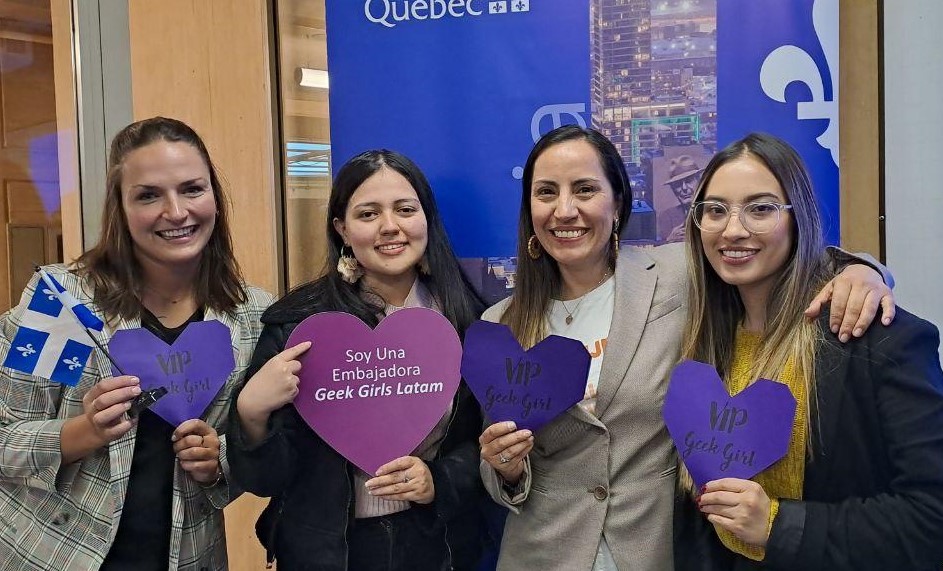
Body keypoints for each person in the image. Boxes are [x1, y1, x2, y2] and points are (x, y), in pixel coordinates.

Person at [476, 125, 895, 571]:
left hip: (654, 550)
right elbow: (496, 461)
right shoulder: (499, 325)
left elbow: (783, 255)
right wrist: (504, 469)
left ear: (617, 203)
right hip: (541, 552)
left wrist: (863, 271)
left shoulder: (678, 273)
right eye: (546, 192)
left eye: (585, 189)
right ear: (530, 210)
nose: (565, 210)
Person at [0, 117, 273, 570]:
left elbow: (256, 452)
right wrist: (84, 431)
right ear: (120, 208)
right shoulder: (67, 304)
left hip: (189, 558)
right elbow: (5, 439)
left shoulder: (252, 315)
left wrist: (218, 461)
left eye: (192, 189)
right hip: (53, 555)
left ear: (214, 197)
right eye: (148, 195)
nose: (177, 212)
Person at [680, 133, 943, 570]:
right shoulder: (702, 338)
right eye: (716, 210)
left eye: (760, 209)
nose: (733, 229)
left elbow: (931, 518)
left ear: (797, 216)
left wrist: (777, 525)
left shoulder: (875, 337)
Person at [228, 150, 487, 570]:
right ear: (342, 229)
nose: (390, 226)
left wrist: (438, 480)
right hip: (327, 554)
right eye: (368, 214)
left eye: (405, 209)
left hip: (438, 548)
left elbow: (490, 442)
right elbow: (264, 479)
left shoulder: (469, 319)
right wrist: (251, 413)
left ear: (426, 219)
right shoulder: (298, 326)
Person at [659, 154, 704, 242]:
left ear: (699, 182)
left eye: (689, 181)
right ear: (672, 189)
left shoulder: (714, 210)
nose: (684, 188)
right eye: (677, 184)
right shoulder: (667, 216)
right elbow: (661, 249)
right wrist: (669, 240)